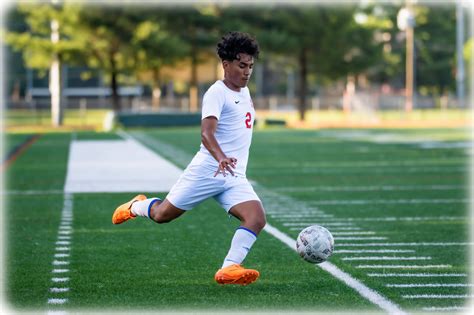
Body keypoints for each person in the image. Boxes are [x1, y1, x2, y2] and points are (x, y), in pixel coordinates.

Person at [112, 31, 266, 286]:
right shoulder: (217, 93)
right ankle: (136, 206)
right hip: (208, 170)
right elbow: (206, 133)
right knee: (163, 215)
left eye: (250, 66)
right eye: (242, 65)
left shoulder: (245, 92)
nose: (247, 71)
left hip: (233, 176)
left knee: (257, 218)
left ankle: (229, 268)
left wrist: (228, 164)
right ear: (226, 65)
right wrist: (220, 157)